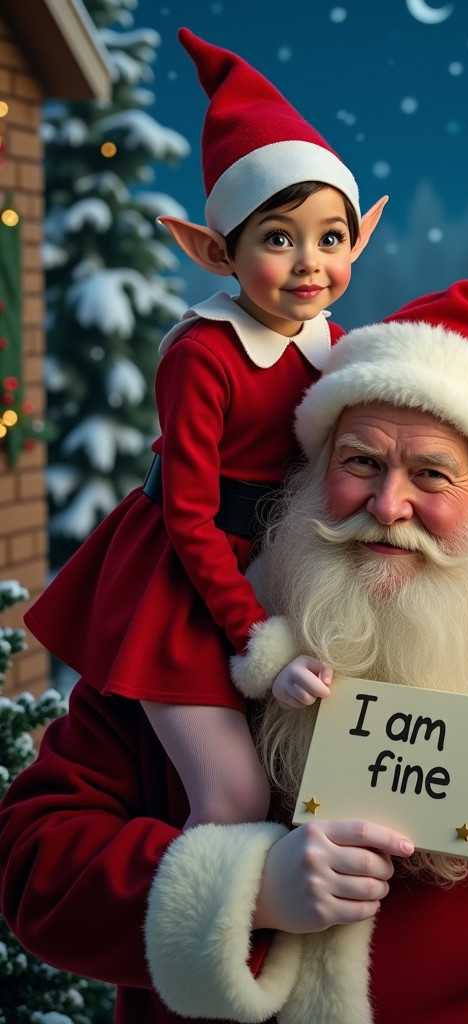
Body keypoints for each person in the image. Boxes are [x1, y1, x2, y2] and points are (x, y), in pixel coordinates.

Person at [0, 274, 468, 1023]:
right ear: (312, 472)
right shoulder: (175, 638)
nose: (388, 506)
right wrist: (245, 888)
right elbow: (35, 862)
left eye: (431, 474)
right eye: (360, 462)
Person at [20, 29, 385, 831]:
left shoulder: (334, 342)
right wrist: (257, 635)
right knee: (234, 796)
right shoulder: (203, 355)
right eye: (279, 240)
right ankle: (210, 940)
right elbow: (188, 515)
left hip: (283, 562)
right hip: (192, 581)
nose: (309, 265)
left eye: (330, 238)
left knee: (305, 777)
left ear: (357, 238)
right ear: (219, 250)